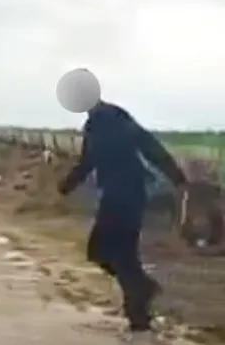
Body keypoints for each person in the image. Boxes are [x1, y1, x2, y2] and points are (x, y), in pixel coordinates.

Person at [58, 100, 186, 343]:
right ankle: (142, 296)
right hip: (116, 195)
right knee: (108, 254)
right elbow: (87, 162)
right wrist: (66, 186)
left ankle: (140, 322)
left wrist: (177, 178)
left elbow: (148, 144)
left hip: (127, 195)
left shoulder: (113, 117)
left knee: (118, 256)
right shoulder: (93, 123)